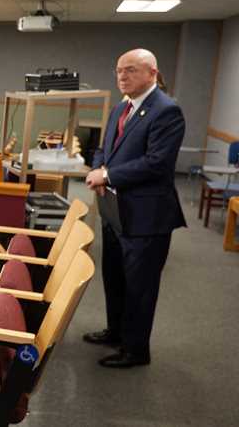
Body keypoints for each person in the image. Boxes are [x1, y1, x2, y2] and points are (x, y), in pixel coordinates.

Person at [83, 48, 186, 368]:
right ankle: (116, 332)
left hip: (147, 217)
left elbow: (157, 163)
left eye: (131, 70)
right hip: (115, 210)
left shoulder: (167, 111)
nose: (122, 77)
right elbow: (103, 149)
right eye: (118, 71)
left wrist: (109, 173)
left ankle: (136, 350)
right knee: (114, 277)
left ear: (152, 73)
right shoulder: (120, 108)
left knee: (140, 287)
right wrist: (100, 171)